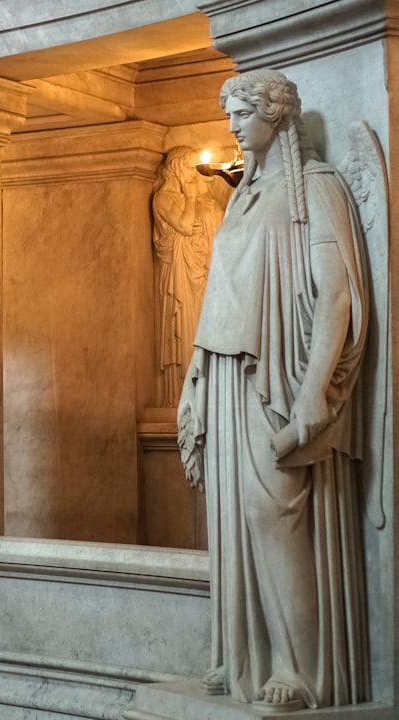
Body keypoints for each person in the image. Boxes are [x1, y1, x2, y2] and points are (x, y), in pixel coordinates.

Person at [179, 70, 370, 710]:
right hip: (230, 377)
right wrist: (195, 382)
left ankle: (302, 666)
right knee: (234, 522)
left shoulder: (315, 189)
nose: (231, 126)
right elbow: (219, 301)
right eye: (228, 114)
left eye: (241, 113)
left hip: (277, 381)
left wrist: (316, 388)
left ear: (277, 115)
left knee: (275, 515)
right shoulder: (244, 196)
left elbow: (336, 293)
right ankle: (245, 655)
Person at [152, 147, 222, 406]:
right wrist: (190, 199)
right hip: (180, 273)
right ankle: (184, 395)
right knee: (185, 325)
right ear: (176, 169)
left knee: (203, 322)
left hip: (199, 268)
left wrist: (200, 192)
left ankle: (207, 388)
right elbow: (183, 225)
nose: (193, 174)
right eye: (189, 168)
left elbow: (214, 219)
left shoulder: (195, 193)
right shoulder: (163, 198)